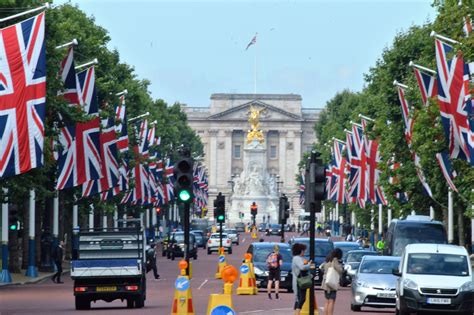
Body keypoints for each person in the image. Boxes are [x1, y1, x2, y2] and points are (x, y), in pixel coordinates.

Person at [320, 248, 343, 315]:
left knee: (327, 301)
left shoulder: (327, 260)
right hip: (331, 283)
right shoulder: (335, 260)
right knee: (331, 301)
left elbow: (322, 267)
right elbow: (339, 269)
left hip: (325, 282)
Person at [292, 243, 311, 315]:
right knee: (302, 298)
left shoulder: (298, 258)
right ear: (300, 251)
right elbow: (302, 267)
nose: (304, 252)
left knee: (298, 298)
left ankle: (296, 312)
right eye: (303, 251)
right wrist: (310, 265)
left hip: (299, 280)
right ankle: (297, 312)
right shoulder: (297, 258)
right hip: (299, 281)